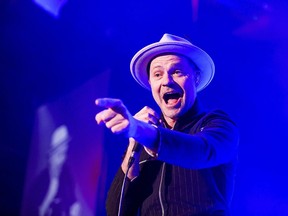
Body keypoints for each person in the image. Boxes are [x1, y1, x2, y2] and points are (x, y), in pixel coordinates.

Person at [95, 33, 239, 215]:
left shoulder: (217, 124)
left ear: (195, 77)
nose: (166, 81)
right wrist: (134, 143)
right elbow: (117, 211)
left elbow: (202, 151)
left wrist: (141, 131)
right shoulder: (143, 136)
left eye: (177, 71)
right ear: (150, 83)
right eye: (157, 74)